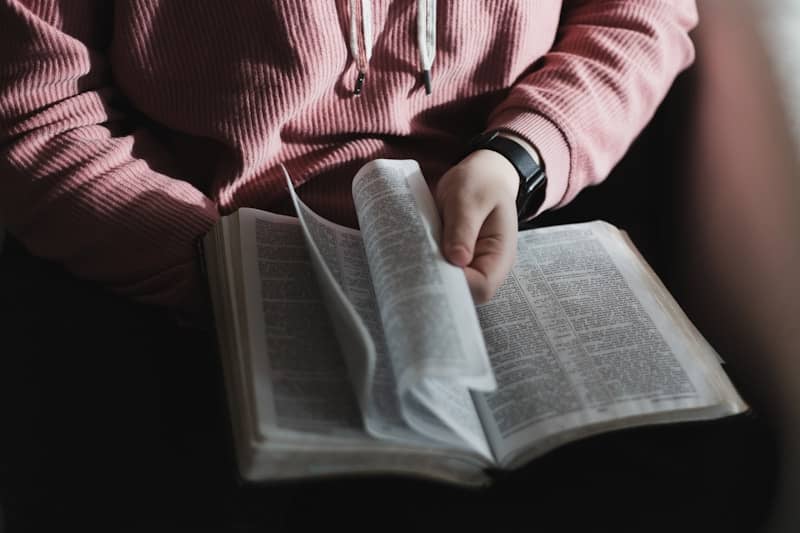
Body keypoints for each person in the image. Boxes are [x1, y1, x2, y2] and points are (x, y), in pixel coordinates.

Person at [8, 2, 777, 532]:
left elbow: (637, 17)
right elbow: (36, 116)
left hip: (488, 226)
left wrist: (521, 156)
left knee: (713, 465)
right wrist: (218, 270)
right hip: (182, 255)